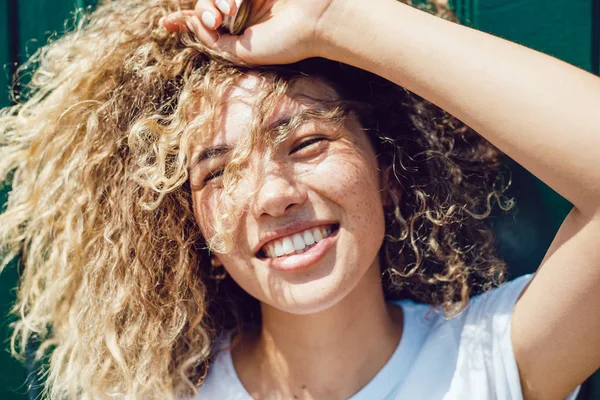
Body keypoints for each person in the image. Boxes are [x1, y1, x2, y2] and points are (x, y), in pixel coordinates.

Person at [0, 0, 598, 398]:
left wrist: (332, 16)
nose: (273, 196)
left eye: (308, 142)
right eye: (218, 173)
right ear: (197, 235)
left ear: (387, 170)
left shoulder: (490, 361)